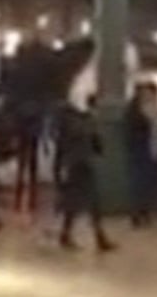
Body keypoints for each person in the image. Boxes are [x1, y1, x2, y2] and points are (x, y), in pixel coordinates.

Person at [56, 94, 115, 252]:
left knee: (74, 203)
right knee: (91, 202)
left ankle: (68, 235)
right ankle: (98, 238)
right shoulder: (83, 122)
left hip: (75, 164)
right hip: (81, 165)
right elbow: (94, 143)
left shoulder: (73, 121)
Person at [125, 82, 157, 228]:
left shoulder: (131, 110)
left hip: (137, 151)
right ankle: (139, 214)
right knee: (140, 184)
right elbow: (147, 130)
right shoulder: (139, 112)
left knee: (138, 184)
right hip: (140, 152)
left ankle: (139, 214)